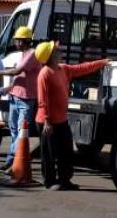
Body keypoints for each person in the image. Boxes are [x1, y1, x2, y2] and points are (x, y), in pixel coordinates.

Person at [34, 41, 110, 191]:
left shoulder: (63, 69)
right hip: (47, 121)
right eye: (56, 50)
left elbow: (82, 68)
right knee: (49, 154)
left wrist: (102, 63)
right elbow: (43, 100)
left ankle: (65, 180)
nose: (60, 51)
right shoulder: (45, 73)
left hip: (61, 120)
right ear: (50, 56)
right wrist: (47, 121)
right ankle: (50, 181)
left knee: (66, 151)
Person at [0, 25, 41, 173]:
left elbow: (16, 71)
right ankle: (12, 161)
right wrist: (8, 89)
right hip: (15, 97)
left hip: (26, 99)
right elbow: (20, 77)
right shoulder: (23, 55)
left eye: (17, 40)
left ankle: (13, 163)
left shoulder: (32, 54)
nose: (15, 43)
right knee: (14, 131)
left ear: (23, 41)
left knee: (20, 132)